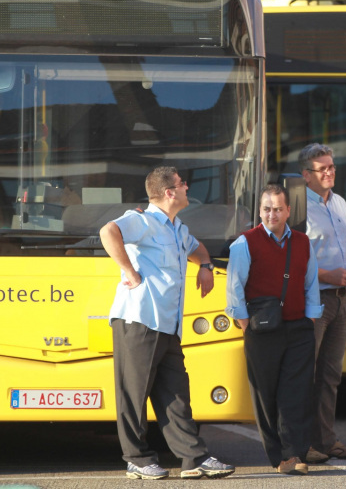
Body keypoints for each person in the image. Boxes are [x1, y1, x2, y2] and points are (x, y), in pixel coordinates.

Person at [99, 166, 235, 481]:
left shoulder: (176, 227)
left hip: (168, 325)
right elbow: (108, 232)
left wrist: (206, 265)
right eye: (182, 184)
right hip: (140, 319)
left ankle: (193, 458)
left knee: (176, 392)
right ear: (169, 192)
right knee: (133, 393)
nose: (188, 187)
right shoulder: (142, 220)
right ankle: (137, 459)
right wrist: (129, 271)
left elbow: (197, 248)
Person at [226, 184, 323, 475]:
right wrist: (245, 326)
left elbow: (311, 283)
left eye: (278, 209)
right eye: (267, 209)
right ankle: (279, 456)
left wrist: (311, 319)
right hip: (261, 331)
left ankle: (294, 455)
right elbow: (234, 290)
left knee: (297, 394)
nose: (273, 214)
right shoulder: (244, 243)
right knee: (266, 396)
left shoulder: (304, 242)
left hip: (299, 329)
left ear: (288, 211)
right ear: (260, 211)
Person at [298, 143, 346, 464]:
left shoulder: (337, 202)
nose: (330, 172)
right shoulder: (297, 208)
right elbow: (294, 260)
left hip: (341, 299)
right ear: (306, 175)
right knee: (305, 374)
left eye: (332, 166)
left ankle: (326, 441)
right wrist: (329, 274)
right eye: (323, 168)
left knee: (330, 376)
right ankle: (301, 444)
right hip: (314, 299)